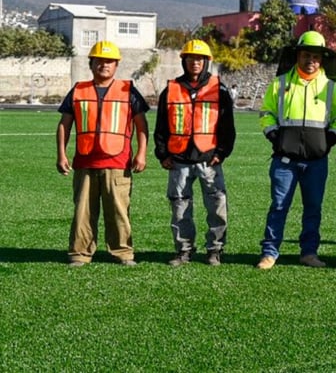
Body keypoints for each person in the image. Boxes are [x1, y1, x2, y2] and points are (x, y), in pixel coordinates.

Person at [256, 31, 336, 270]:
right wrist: (273, 135)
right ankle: (269, 253)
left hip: (316, 160)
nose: (311, 61)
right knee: (278, 206)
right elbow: (266, 113)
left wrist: (330, 138)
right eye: (306, 55)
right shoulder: (280, 83)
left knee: (313, 208)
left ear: (322, 59)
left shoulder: (331, 88)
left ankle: (309, 252)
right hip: (285, 160)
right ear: (298, 55)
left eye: (316, 57)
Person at [56, 41, 150, 267]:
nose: (104, 65)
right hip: (85, 162)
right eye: (99, 61)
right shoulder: (78, 90)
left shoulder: (128, 90)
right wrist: (61, 154)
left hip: (118, 162)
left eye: (109, 61)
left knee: (118, 210)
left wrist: (141, 154)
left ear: (116, 65)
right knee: (83, 211)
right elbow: (64, 124)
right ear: (91, 64)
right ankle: (80, 253)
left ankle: (123, 252)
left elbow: (142, 125)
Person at [153, 39, 236, 267]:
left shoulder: (219, 89)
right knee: (180, 208)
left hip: (209, 158)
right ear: (184, 61)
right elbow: (161, 126)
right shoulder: (170, 89)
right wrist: (163, 154)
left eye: (200, 59)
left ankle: (215, 250)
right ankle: (184, 251)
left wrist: (221, 152)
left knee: (217, 206)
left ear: (207, 62)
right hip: (178, 159)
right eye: (191, 58)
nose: (195, 62)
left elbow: (227, 126)